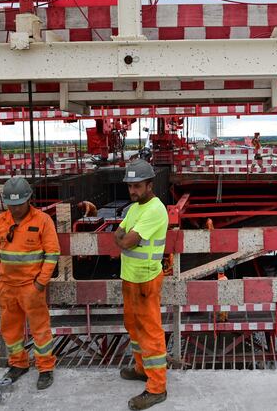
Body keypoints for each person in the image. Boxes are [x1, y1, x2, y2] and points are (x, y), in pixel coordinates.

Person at [0, 176, 61, 390]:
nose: (15, 209)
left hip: (31, 287)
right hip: (7, 287)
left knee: (40, 330)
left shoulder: (42, 220)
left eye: (19, 204)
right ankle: (18, 364)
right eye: (11, 205)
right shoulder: (0, 221)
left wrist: (40, 284)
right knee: (10, 330)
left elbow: (52, 253)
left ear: (29, 200)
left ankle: (45, 368)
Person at [114, 159, 169, 410]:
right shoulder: (134, 209)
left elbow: (125, 241)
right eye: (130, 186)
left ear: (149, 185)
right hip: (130, 278)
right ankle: (141, 369)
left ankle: (157, 388)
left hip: (146, 280)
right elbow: (119, 234)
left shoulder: (155, 209)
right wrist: (125, 237)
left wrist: (125, 238)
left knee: (150, 333)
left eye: (137, 186)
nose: (132, 191)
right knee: (133, 327)